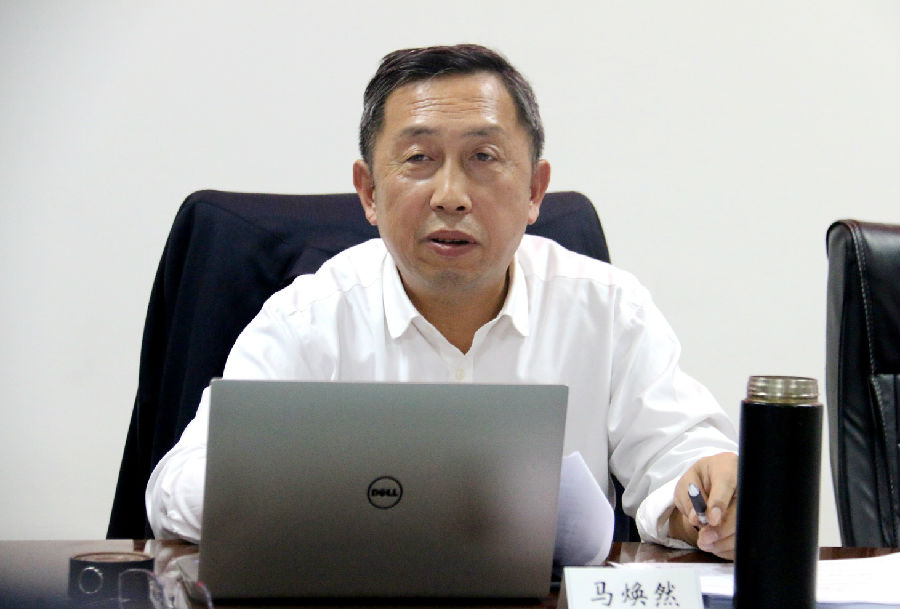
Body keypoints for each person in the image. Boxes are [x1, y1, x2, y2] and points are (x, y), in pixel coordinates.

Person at [146, 44, 738, 560]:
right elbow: (178, 488)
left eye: (483, 157)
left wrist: (706, 506)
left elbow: (683, 457)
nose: (451, 196)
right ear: (369, 191)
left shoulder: (607, 309)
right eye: (419, 159)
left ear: (535, 190)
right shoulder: (307, 320)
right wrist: (320, 491)